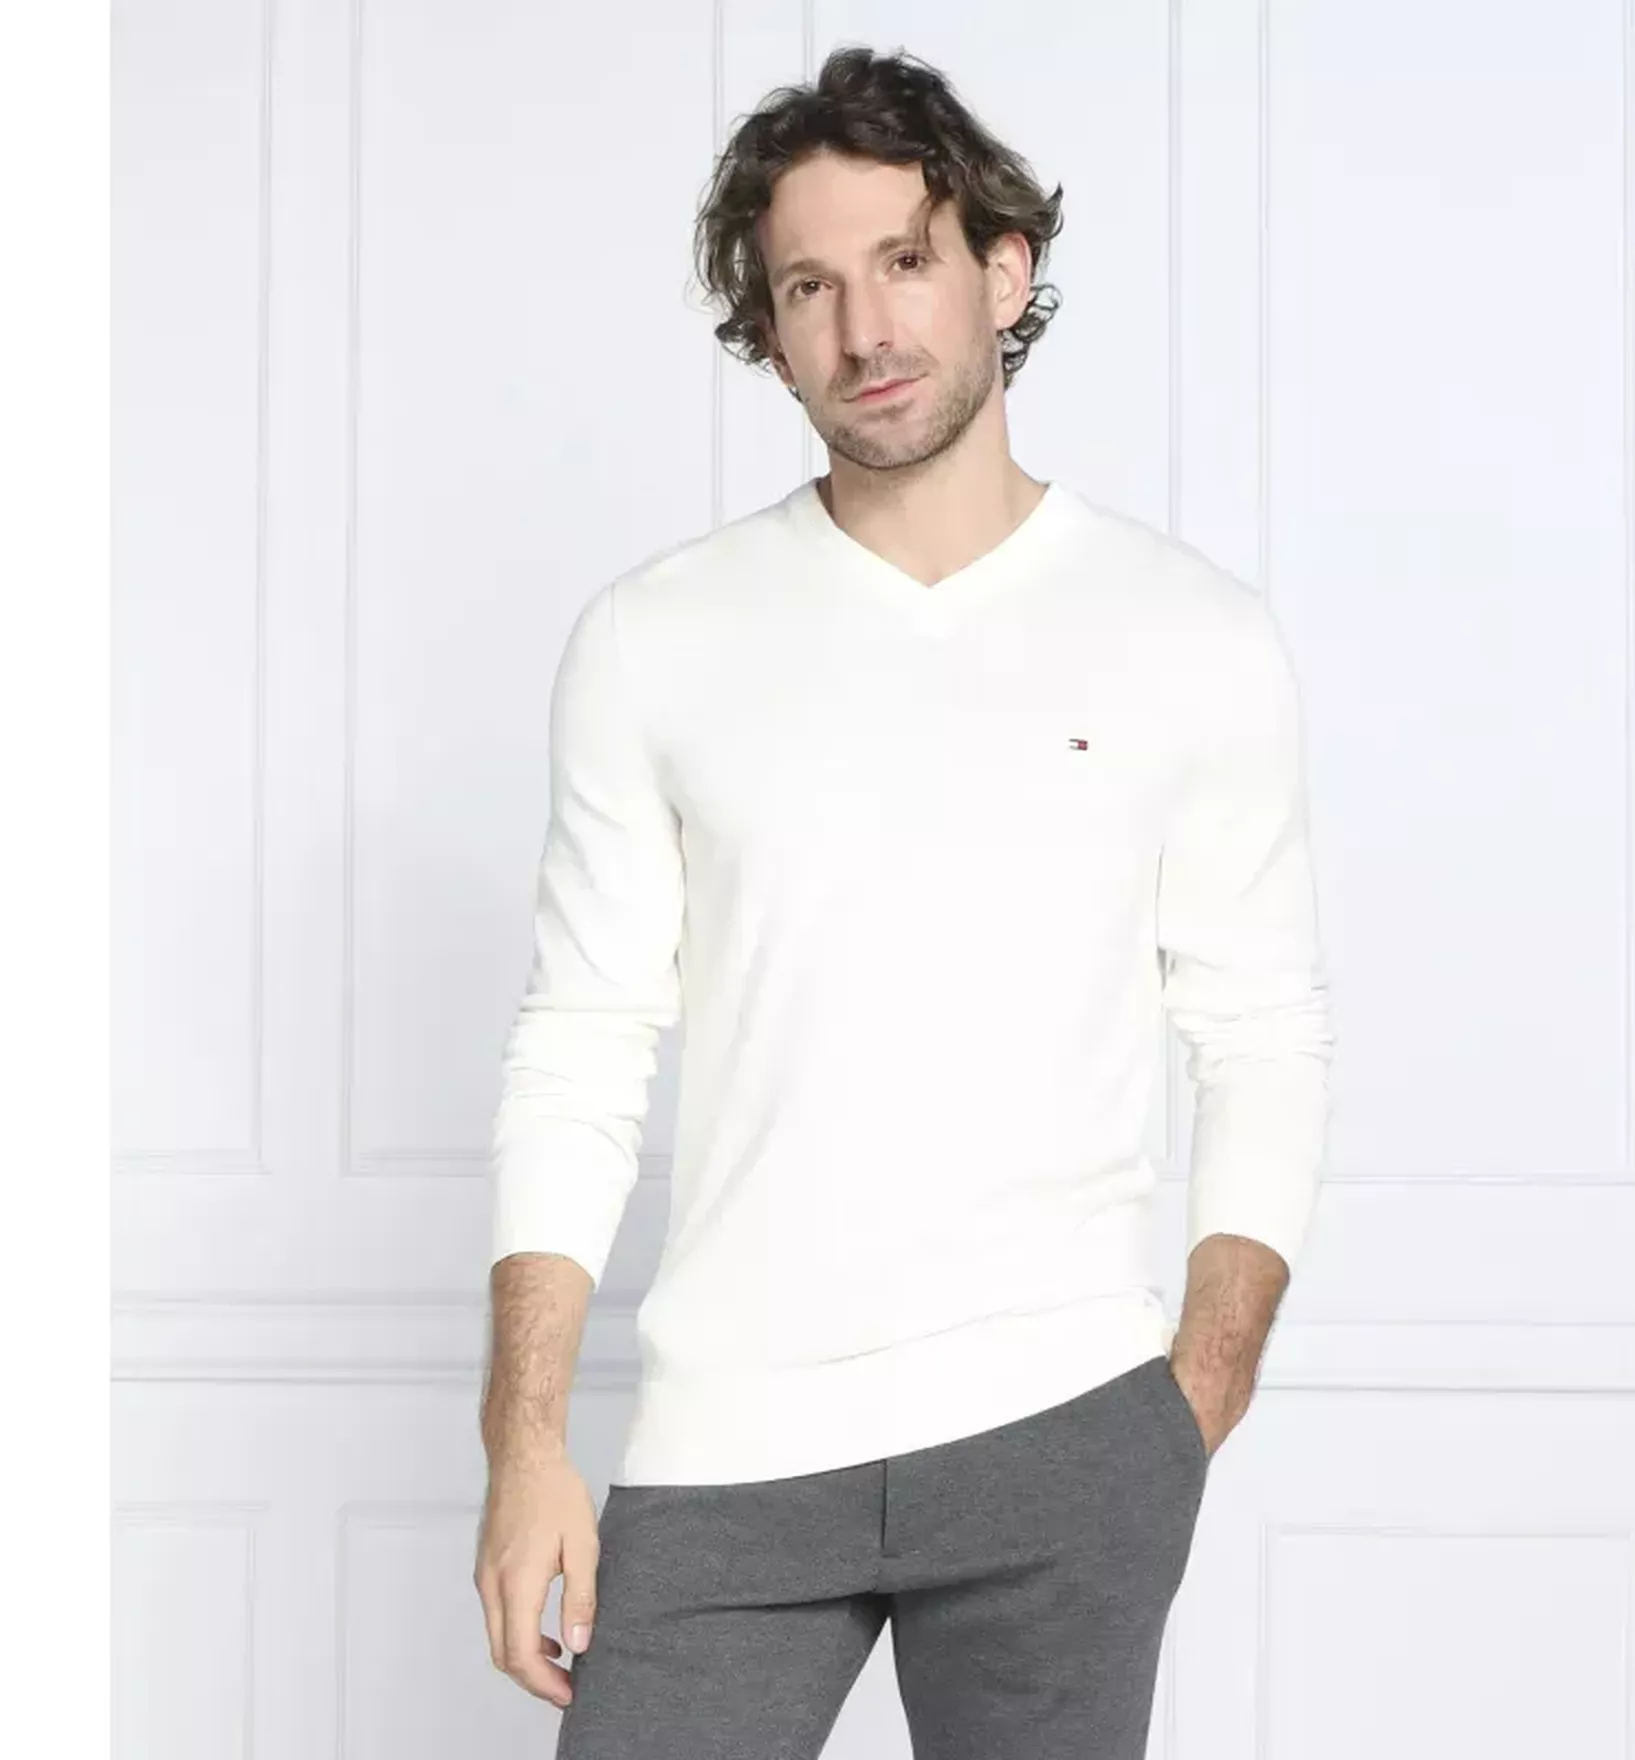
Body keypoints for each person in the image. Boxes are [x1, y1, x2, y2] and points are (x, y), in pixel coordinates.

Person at [474, 43, 1335, 1760]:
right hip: (732, 1442)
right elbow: (582, 1043)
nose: (865, 328)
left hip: (1063, 1433)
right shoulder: (656, 639)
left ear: (1003, 271)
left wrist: (1195, 1395)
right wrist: (527, 1440)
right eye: (811, 285)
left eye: (905, 260)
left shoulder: (1194, 635)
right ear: (769, 326)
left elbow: (1262, 1033)